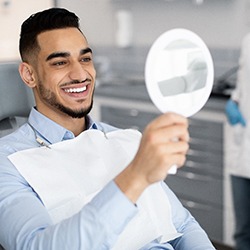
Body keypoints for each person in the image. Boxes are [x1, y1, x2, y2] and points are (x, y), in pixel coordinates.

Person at [0, 8, 215, 250]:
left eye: (85, 59)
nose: (80, 74)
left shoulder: (127, 140)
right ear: (29, 75)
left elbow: (183, 226)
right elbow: (36, 245)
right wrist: (135, 176)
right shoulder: (7, 162)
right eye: (60, 62)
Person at [225, 33, 250, 250]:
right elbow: (244, 84)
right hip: (243, 148)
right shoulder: (248, 40)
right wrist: (234, 100)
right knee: (243, 232)